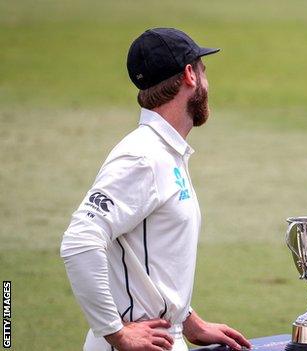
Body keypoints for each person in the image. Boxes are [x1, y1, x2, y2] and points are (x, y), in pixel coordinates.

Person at [60, 28, 252, 351]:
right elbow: (79, 240)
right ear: (190, 75)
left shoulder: (166, 153)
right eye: (203, 70)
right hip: (137, 342)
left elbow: (153, 259)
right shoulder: (143, 157)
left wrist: (187, 319)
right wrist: (117, 333)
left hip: (164, 336)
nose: (207, 81)